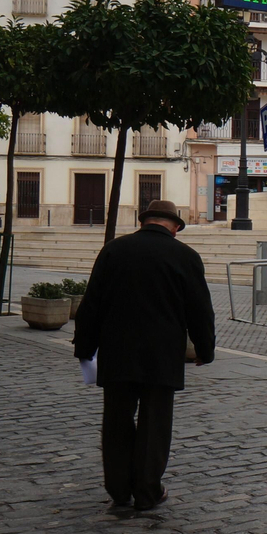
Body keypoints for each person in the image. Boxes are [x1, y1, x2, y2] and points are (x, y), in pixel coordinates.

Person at [74, 199, 215, 511]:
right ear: (175, 227)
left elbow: (92, 302)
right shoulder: (186, 256)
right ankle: (148, 492)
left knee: (116, 421)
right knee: (155, 423)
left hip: (117, 350)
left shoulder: (114, 249)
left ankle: (119, 490)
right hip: (161, 354)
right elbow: (200, 311)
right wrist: (205, 350)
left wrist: (84, 347)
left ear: (144, 221)